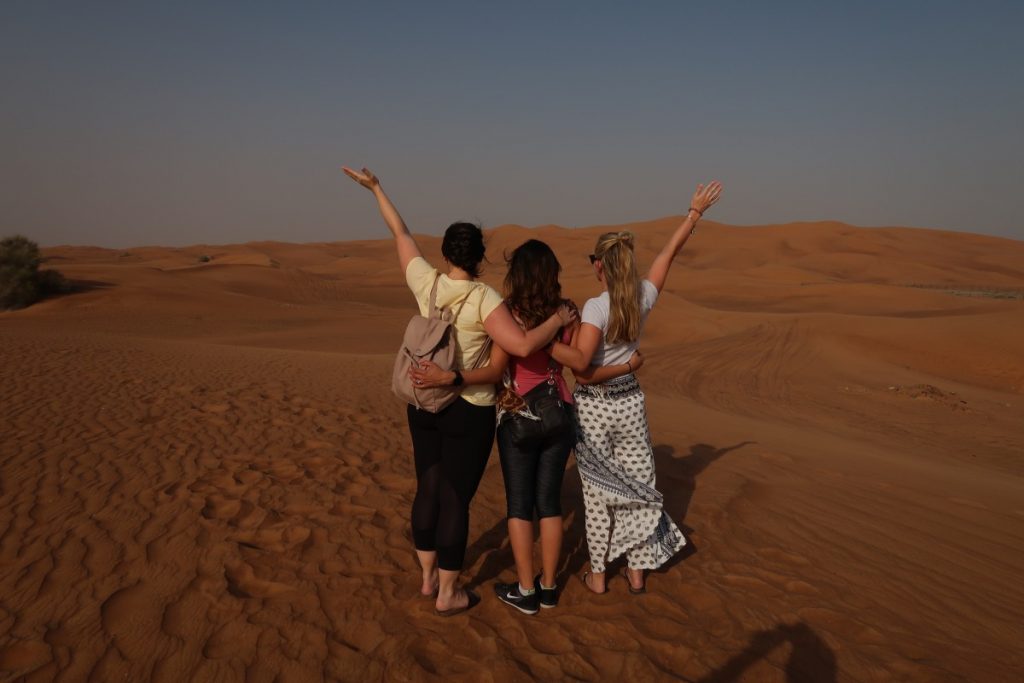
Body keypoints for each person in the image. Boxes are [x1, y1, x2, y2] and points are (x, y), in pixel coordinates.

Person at [342, 167, 574, 616]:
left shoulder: (426, 284)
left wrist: (376, 189)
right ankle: (449, 593)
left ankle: (428, 578)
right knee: (455, 499)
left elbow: (400, 231)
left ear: (446, 252)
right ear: (480, 258)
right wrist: (558, 322)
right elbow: (523, 345)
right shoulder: (486, 299)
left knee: (427, 486)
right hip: (469, 408)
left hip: (423, 403)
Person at [550, 180, 723, 594]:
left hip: (595, 407)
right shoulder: (642, 297)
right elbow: (669, 254)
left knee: (598, 494)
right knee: (640, 487)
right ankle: (637, 570)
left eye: (595, 258)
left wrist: (542, 342)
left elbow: (584, 370)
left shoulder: (597, 307)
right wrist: (694, 213)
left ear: (601, 266)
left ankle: (596, 574)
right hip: (631, 404)